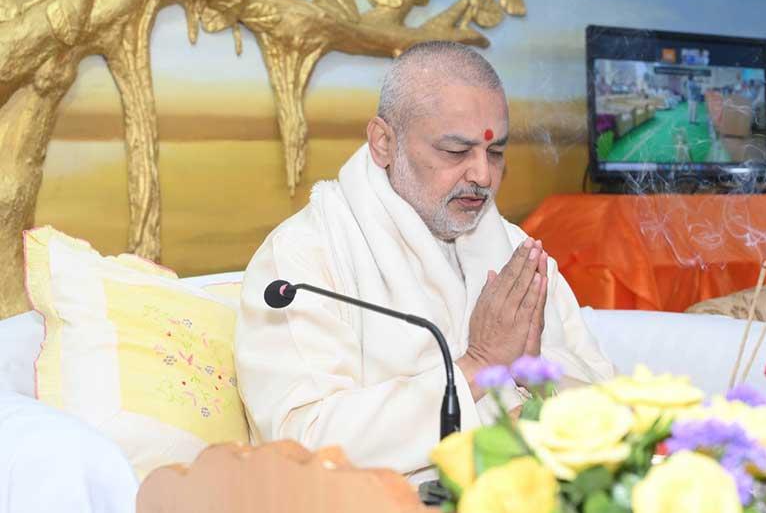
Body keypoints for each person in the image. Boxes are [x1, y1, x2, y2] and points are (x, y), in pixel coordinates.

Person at [235, 41, 614, 481]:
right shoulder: (305, 255)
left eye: (494, 152)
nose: (483, 176)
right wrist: (478, 365)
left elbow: (609, 406)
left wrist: (537, 374)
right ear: (383, 142)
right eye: (456, 152)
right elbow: (299, 441)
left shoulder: (516, 252)